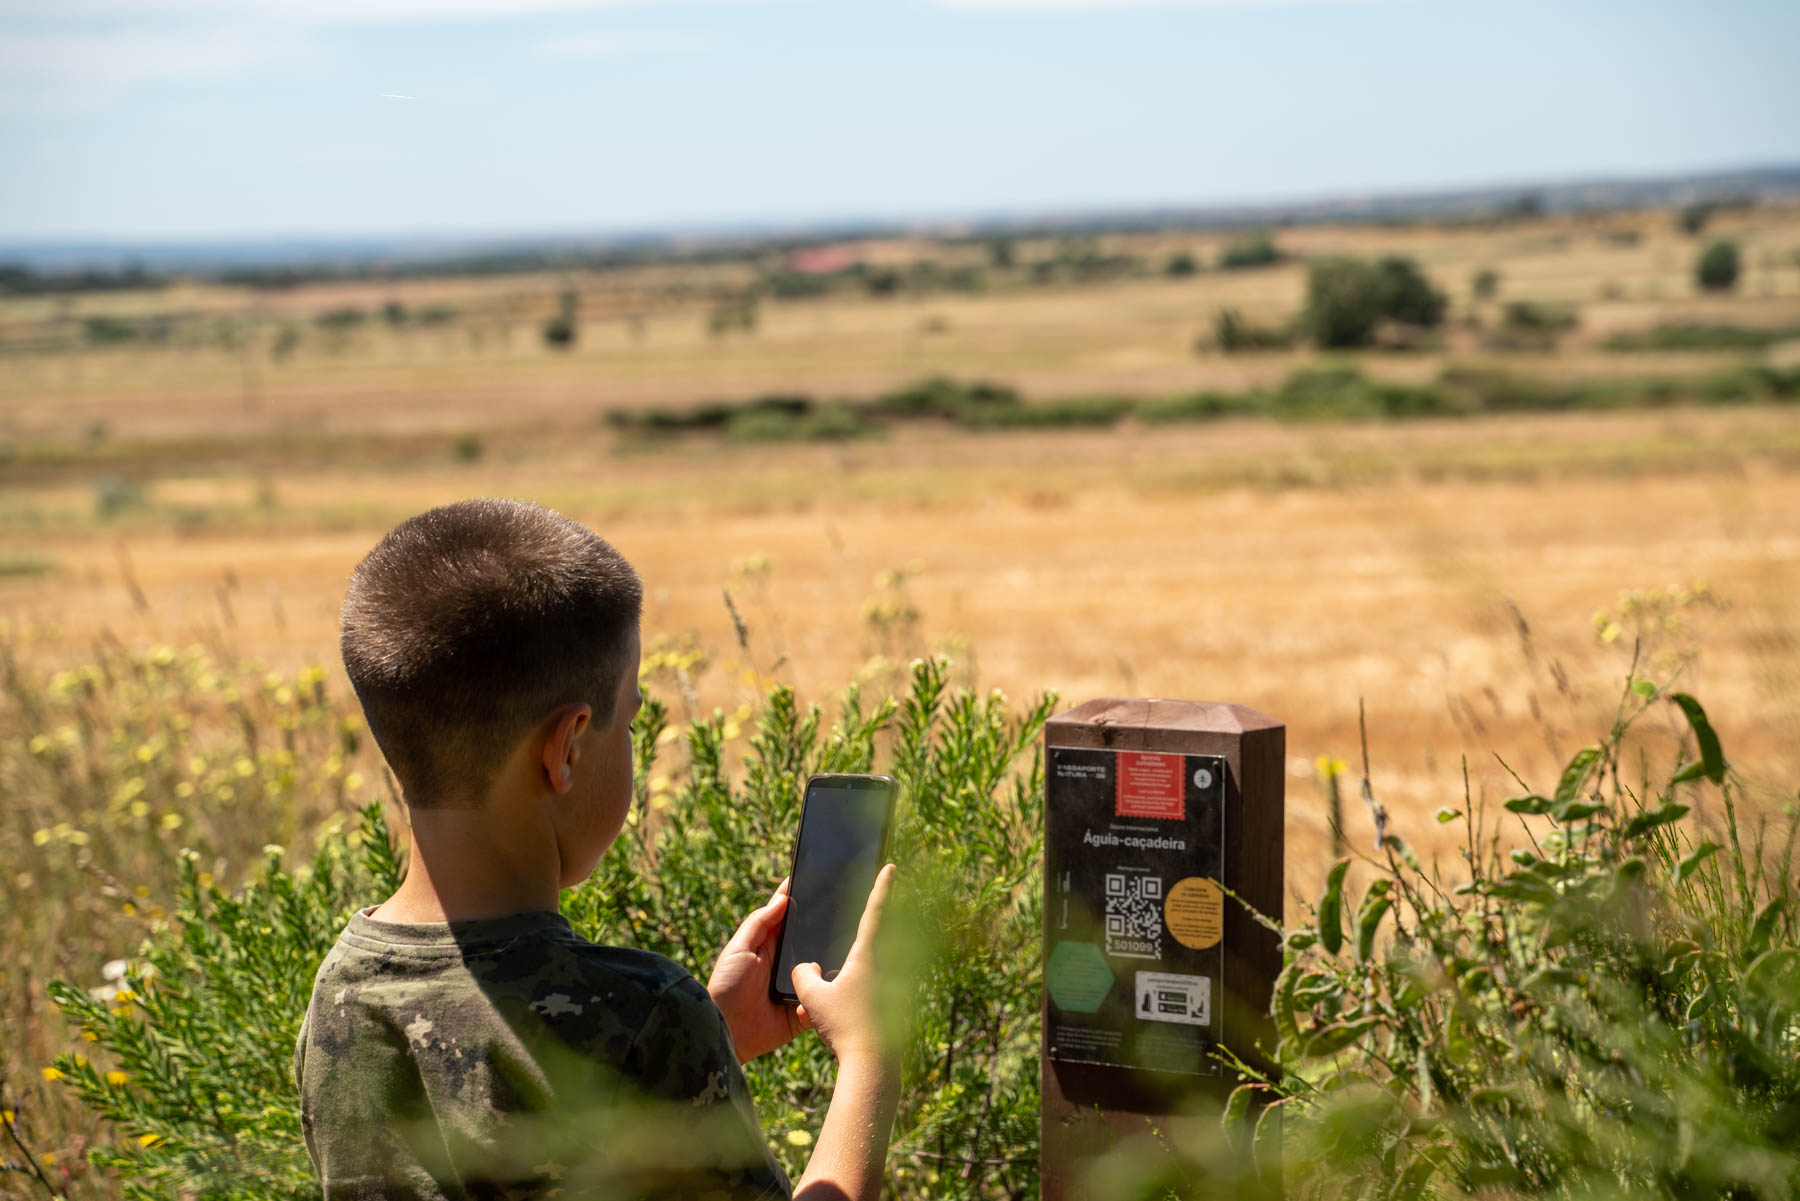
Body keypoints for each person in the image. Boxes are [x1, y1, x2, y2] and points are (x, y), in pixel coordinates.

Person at [293, 498, 899, 1200]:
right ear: (568, 747)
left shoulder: (341, 993)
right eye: (632, 719)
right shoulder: (643, 1016)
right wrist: (867, 1058)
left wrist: (714, 1038)